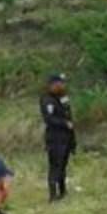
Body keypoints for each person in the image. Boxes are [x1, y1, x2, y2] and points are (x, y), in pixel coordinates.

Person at [39, 74, 75, 203]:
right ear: (53, 85)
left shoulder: (63, 97)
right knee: (55, 166)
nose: (63, 86)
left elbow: (68, 114)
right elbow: (49, 119)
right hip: (55, 138)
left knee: (63, 165)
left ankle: (63, 191)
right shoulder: (47, 100)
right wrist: (64, 123)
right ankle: (53, 195)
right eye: (60, 84)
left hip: (66, 137)